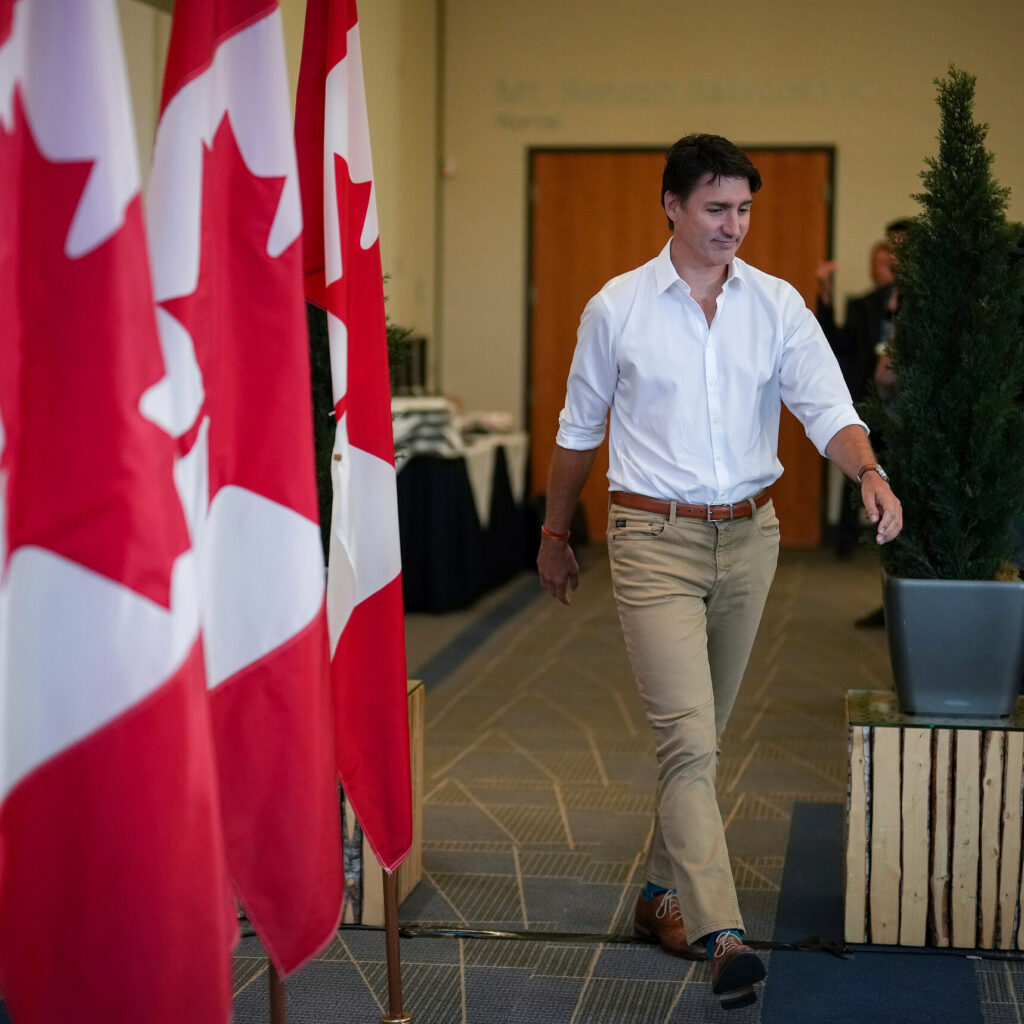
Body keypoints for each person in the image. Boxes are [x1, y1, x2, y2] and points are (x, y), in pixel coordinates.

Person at [536, 134, 902, 1011]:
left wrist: (868, 470)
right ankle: (721, 930)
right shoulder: (617, 307)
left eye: (742, 209)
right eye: (714, 208)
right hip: (650, 538)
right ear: (671, 205)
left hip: (749, 540)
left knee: (702, 735)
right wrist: (554, 531)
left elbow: (827, 407)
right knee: (689, 738)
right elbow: (579, 431)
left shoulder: (775, 306)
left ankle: (659, 894)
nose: (732, 225)